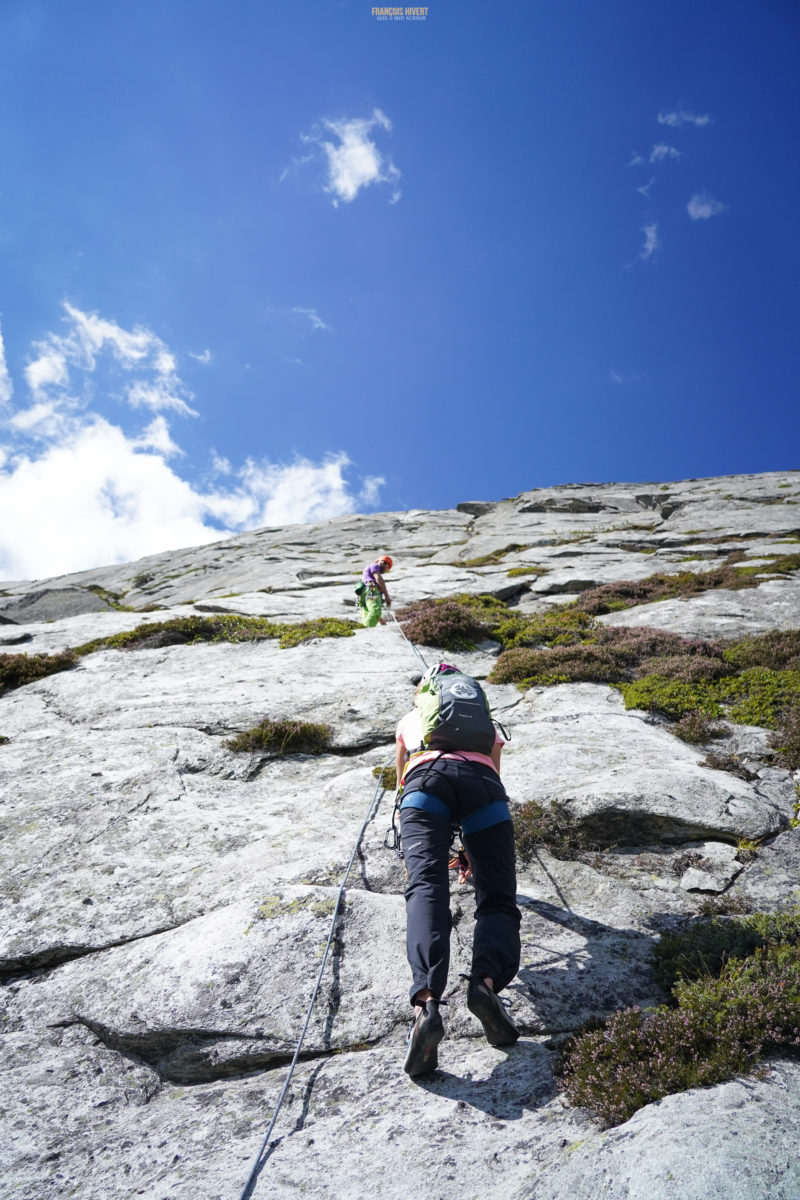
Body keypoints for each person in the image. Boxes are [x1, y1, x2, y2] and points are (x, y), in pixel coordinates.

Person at [394, 663, 521, 1077]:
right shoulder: (487, 726)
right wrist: (470, 846)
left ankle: (427, 1004)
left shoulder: (413, 719)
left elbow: (401, 782)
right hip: (483, 789)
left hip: (424, 784)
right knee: (497, 898)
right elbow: (492, 773)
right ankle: (484, 985)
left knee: (427, 887)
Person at [358, 555, 393, 627]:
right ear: (383, 563)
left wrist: (380, 619)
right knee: (375, 611)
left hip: (365, 592)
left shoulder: (368, 571)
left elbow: (372, 608)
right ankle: (367, 631)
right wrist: (387, 596)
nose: (386, 569)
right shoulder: (375, 566)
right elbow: (378, 578)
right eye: (386, 567)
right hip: (372, 590)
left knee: (367, 612)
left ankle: (364, 628)